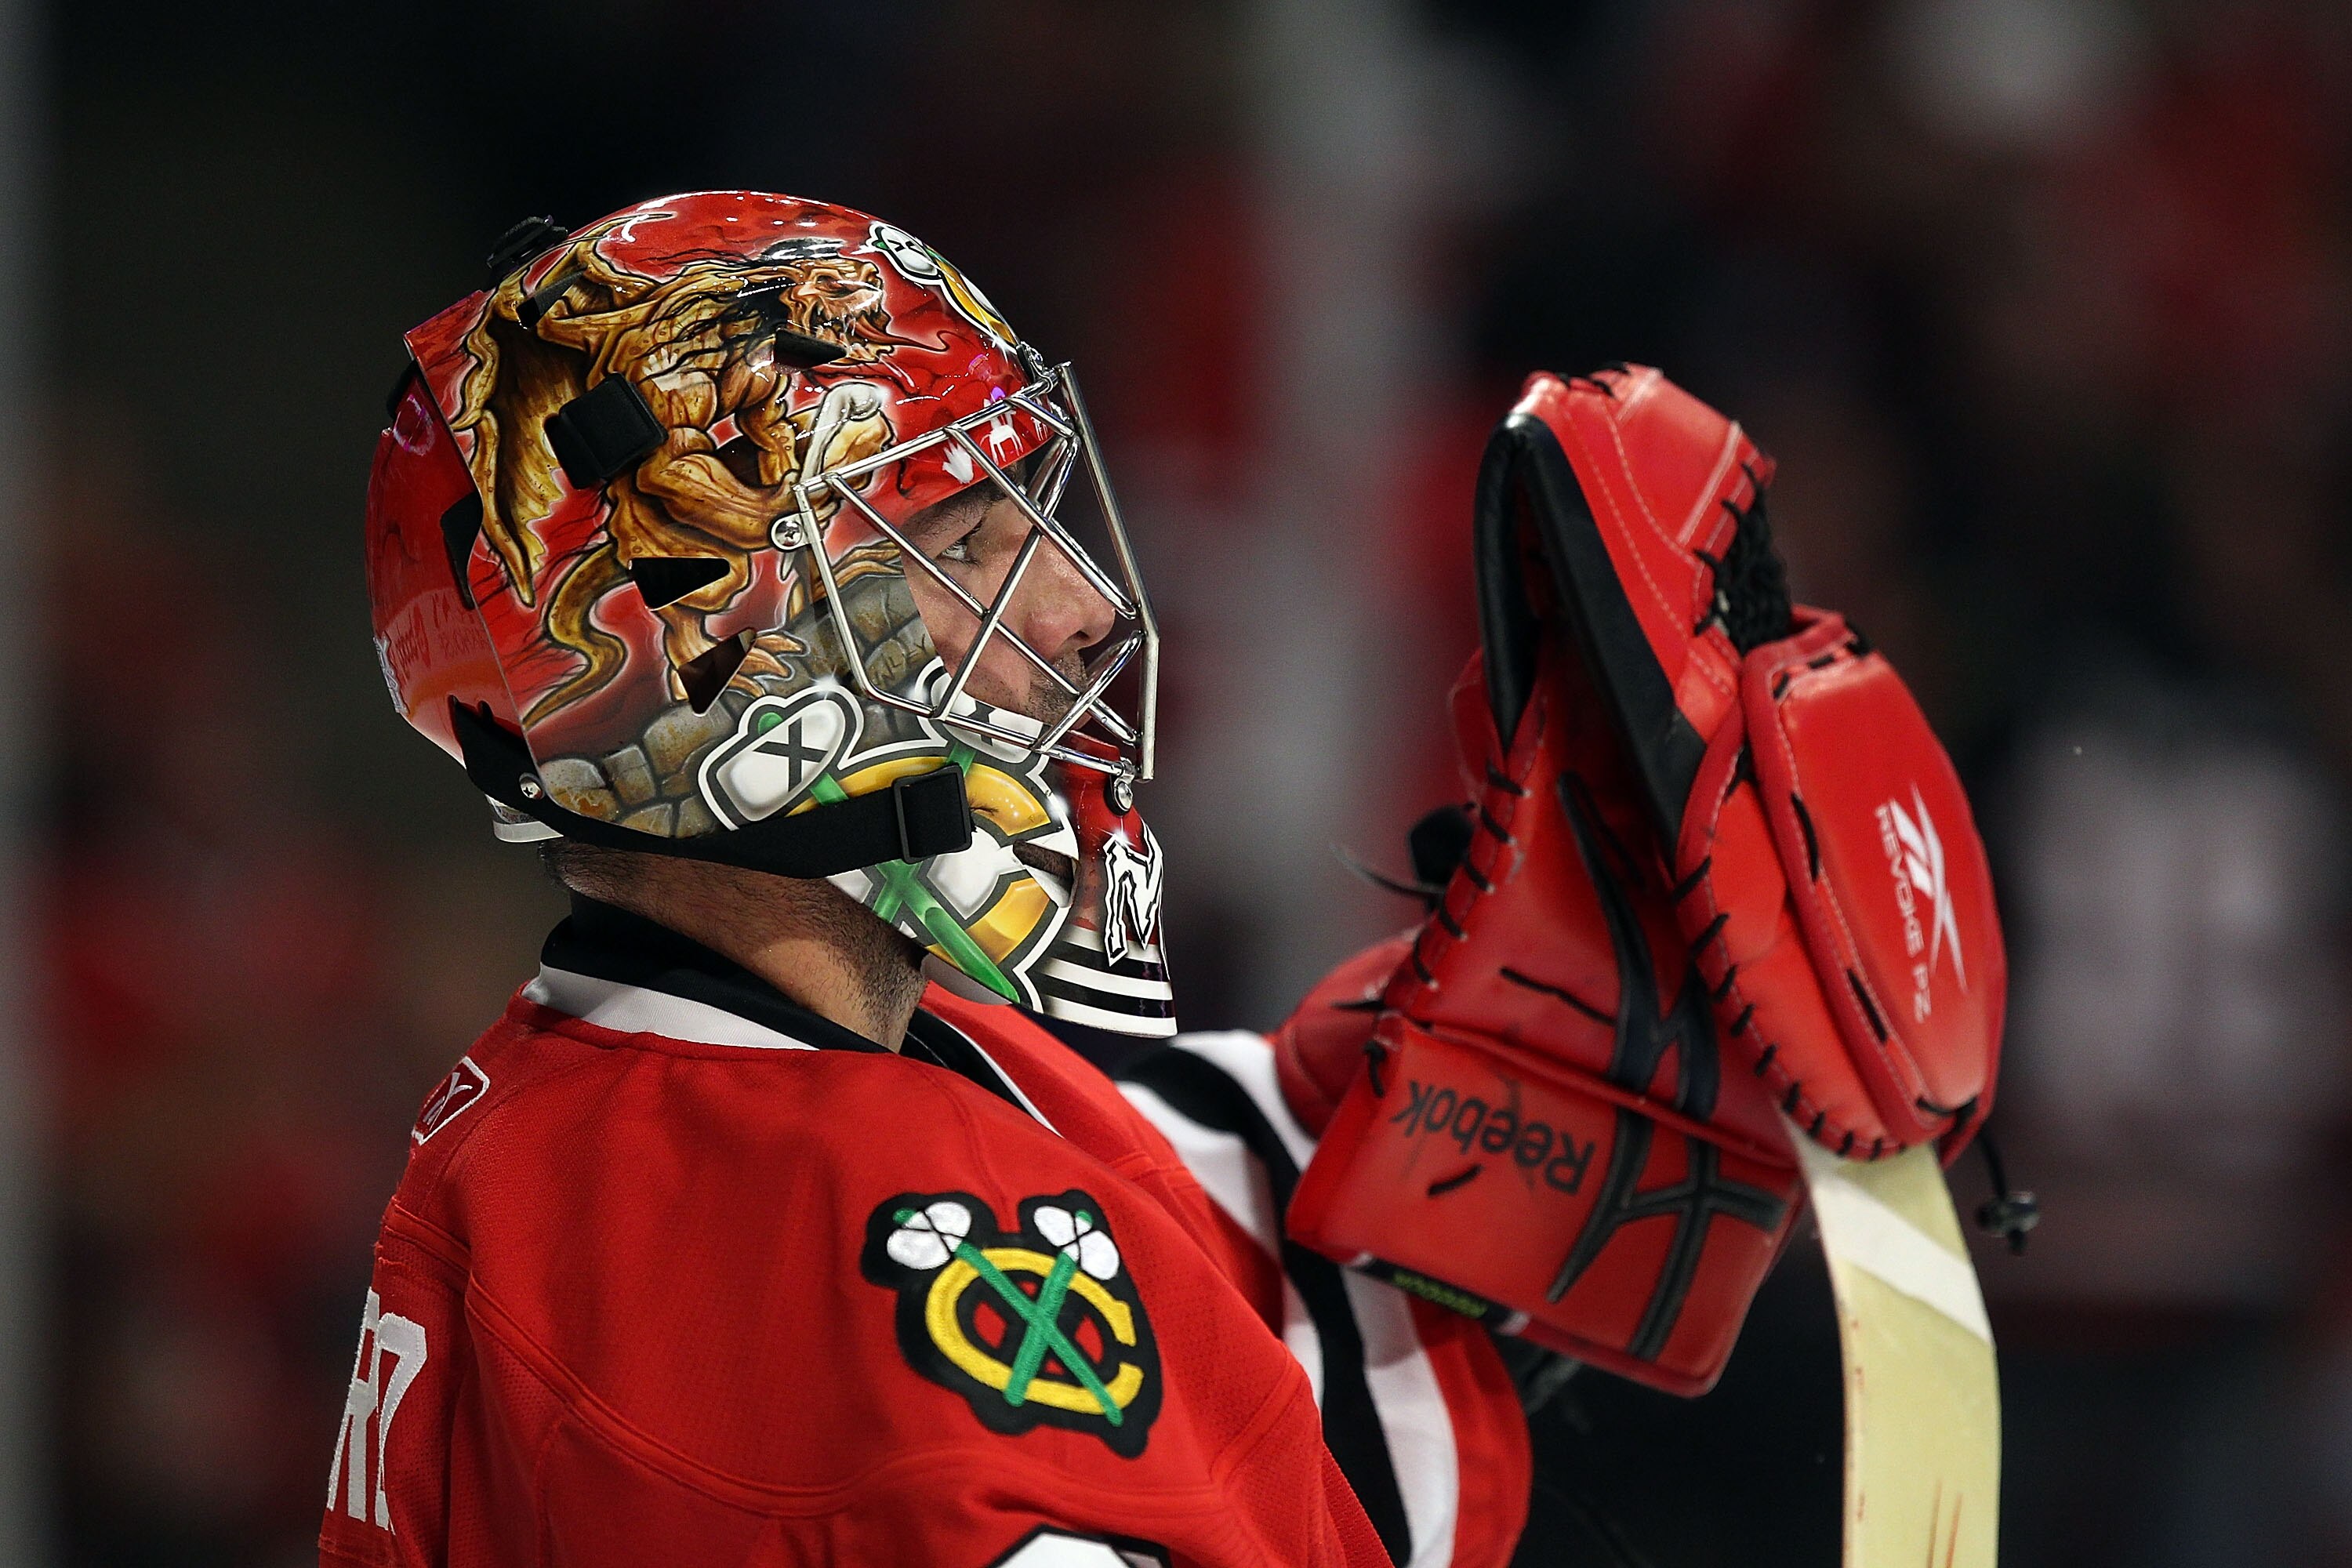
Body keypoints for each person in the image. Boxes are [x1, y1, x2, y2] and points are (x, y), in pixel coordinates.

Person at [331, 191, 2005, 1567]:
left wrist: (1539, 1020)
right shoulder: (815, 1286)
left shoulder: (686, 1105)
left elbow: (1170, 1184)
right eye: (966, 542)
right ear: (720, 657)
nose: (1079, 613)